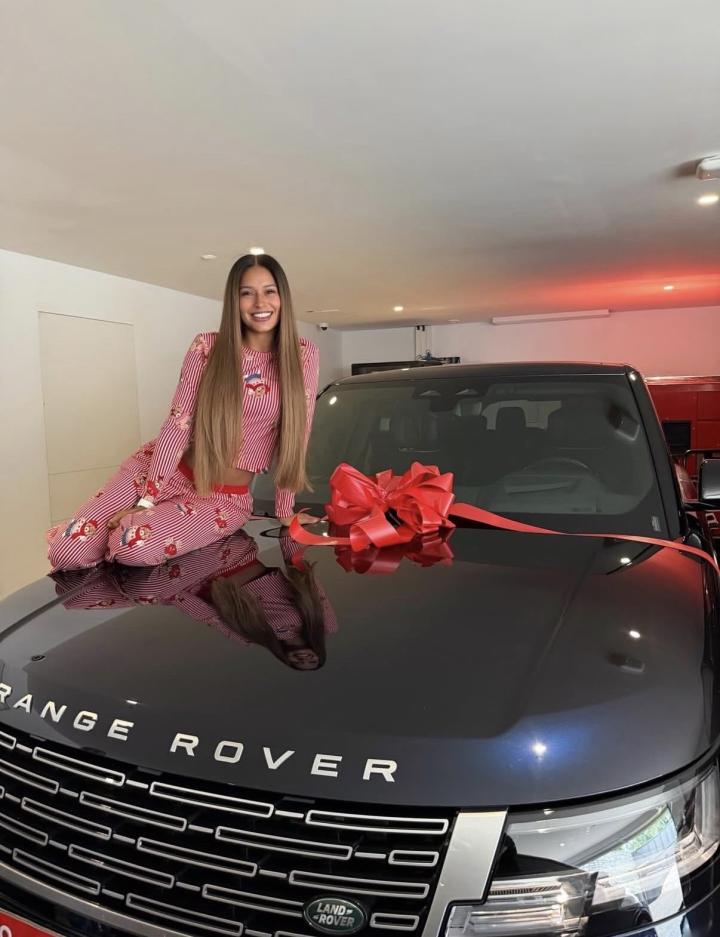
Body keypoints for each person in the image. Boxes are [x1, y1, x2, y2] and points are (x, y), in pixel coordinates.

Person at [47, 254, 319, 571]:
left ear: (283, 296)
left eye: (269, 291)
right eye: (247, 293)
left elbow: (297, 434)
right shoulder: (207, 347)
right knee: (67, 551)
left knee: (130, 544)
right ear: (234, 301)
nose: (260, 302)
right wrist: (147, 499)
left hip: (220, 499)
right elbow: (178, 422)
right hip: (158, 473)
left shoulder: (302, 355)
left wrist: (285, 510)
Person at [50, 530, 337, 671]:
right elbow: (303, 575)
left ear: (285, 660)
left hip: (197, 582)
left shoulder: (250, 637)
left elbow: (208, 616)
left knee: (83, 596)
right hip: (231, 558)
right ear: (319, 653)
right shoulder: (321, 622)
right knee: (145, 588)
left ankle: (84, 553)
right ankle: (90, 545)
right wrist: (289, 531)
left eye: (299, 664)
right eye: (312, 660)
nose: (304, 659)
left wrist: (175, 596)